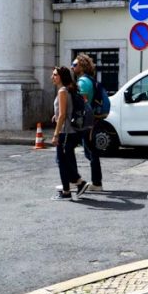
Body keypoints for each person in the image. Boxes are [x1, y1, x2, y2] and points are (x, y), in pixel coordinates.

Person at [51, 66, 87, 200]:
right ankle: (69, 189)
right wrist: (56, 116)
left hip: (65, 132)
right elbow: (64, 112)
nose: (52, 77)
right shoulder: (68, 89)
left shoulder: (62, 91)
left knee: (62, 161)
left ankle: (78, 183)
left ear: (61, 76)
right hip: (70, 131)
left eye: (55, 75)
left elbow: (63, 115)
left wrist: (55, 134)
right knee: (66, 160)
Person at [73, 53, 103, 192]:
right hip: (91, 120)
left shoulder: (83, 82)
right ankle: (95, 182)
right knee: (90, 151)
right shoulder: (89, 80)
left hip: (86, 121)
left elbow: (82, 102)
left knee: (90, 151)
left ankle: (96, 183)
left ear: (82, 66)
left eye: (75, 65)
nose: (73, 67)